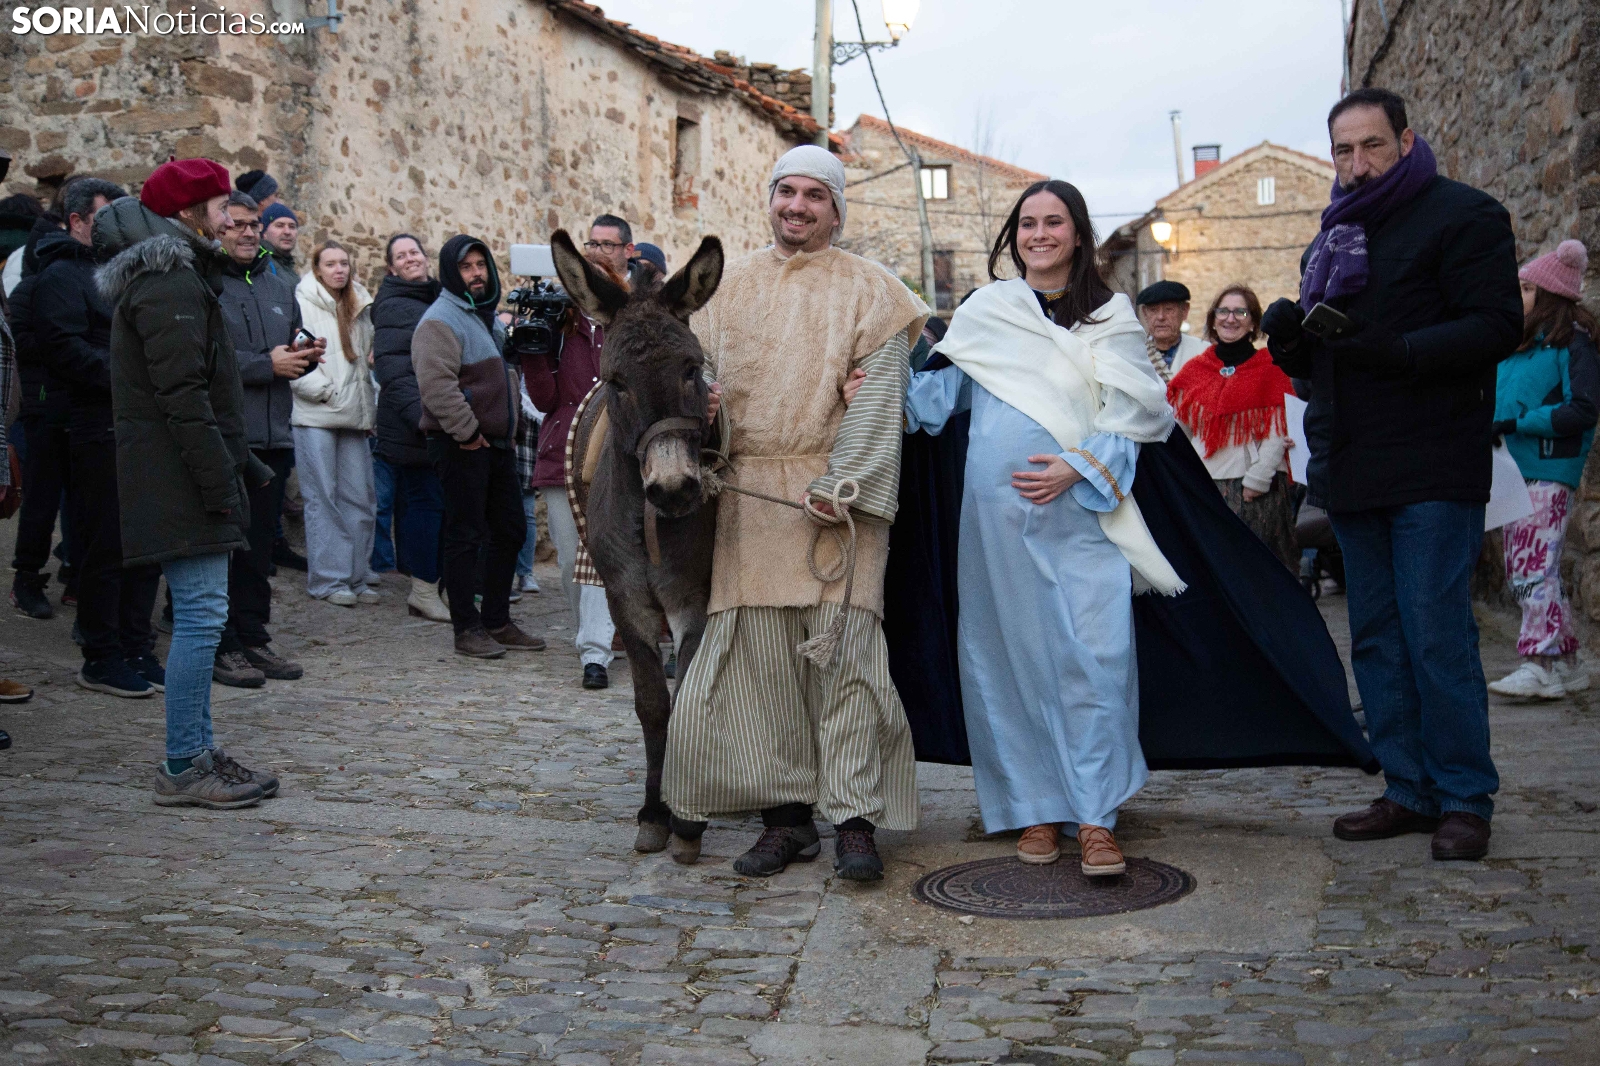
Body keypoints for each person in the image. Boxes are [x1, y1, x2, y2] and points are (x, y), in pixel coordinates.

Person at [1261, 88, 1522, 862]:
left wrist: (1401, 350)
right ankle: (1407, 788)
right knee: (1376, 637)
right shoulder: (1331, 236)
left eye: (1372, 145)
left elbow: (1496, 325)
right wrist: (1292, 346)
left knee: (1436, 633)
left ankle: (1464, 796)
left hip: (1434, 460)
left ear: (1406, 142)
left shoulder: (1464, 215)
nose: (1358, 162)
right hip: (1351, 461)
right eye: (1344, 150)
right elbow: (1324, 363)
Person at [662, 144, 928, 883]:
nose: (798, 207)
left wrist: (845, 484)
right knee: (761, 672)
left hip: (839, 503)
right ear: (770, 199)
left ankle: (854, 821)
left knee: (846, 664)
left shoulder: (874, 291)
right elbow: (693, 390)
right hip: (748, 499)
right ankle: (786, 822)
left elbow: (880, 399)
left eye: (816, 195)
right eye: (788, 192)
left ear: (837, 210)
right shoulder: (722, 291)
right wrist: (706, 413)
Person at [94, 159, 281, 807]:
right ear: (188, 214)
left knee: (204, 616)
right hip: (178, 476)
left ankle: (197, 750)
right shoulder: (168, 282)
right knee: (201, 619)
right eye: (219, 205)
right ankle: (182, 764)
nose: (230, 216)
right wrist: (218, 482)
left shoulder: (180, 274)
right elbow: (183, 398)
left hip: (186, 471)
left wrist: (238, 468)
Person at [34, 177, 167, 697]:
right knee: (105, 546)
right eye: (107, 218)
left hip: (141, 424)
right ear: (77, 222)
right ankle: (101, 654)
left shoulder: (126, 273)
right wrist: (135, 377)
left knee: (145, 547)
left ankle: (135, 646)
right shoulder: (61, 276)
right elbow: (66, 349)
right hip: (97, 426)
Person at [412, 235, 545, 658]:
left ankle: (497, 621)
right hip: (461, 444)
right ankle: (466, 628)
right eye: (466, 267)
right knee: (465, 535)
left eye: (480, 265)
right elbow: (437, 386)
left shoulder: (486, 317)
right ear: (452, 273)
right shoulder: (439, 320)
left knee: (510, 529)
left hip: (495, 444)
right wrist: (467, 433)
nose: (476, 274)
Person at [214, 190, 322, 687]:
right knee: (223, 548)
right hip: (224, 436)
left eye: (253, 224)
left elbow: (288, 347)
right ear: (218, 228)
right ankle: (222, 645)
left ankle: (253, 637)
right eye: (236, 224)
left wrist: (305, 355)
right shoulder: (206, 283)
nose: (248, 232)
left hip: (274, 436)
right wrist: (265, 365)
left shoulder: (279, 283)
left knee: (258, 549)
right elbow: (201, 359)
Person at [1487, 240, 1599, 700]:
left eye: (1528, 288)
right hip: (1511, 469)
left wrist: (1519, 423)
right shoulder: (1517, 347)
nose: (1519, 296)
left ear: (1550, 296)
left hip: (1549, 469)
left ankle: (1541, 663)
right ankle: (1568, 663)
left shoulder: (1574, 344)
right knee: (1532, 567)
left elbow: (1583, 409)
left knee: (1531, 567)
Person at [524, 214, 626, 689]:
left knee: (601, 556)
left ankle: (595, 652)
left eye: (606, 248)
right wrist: (533, 352)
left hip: (614, 454)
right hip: (562, 451)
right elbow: (545, 399)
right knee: (569, 561)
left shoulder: (624, 320)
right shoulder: (557, 324)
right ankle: (590, 634)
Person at [1167, 284, 1297, 569]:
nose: (1231, 318)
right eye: (1223, 311)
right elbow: (1180, 432)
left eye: (1241, 312)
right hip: (1207, 486)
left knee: (1261, 570)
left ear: (1253, 323)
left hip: (1255, 488)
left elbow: (1278, 430)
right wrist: (1187, 478)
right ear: (1213, 319)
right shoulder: (1195, 369)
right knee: (1216, 570)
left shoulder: (1271, 367)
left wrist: (1258, 480)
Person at [291, 241, 378, 606]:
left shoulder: (359, 303)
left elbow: (361, 365)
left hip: (354, 416)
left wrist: (365, 405)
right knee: (323, 499)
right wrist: (326, 393)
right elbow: (294, 359)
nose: (339, 269)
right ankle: (329, 580)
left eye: (343, 263)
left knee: (360, 498)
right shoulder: (301, 302)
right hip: (316, 415)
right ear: (317, 269)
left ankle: (356, 576)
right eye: (330, 264)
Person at [372, 234, 450, 622]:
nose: (410, 259)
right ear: (391, 267)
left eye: (414, 252)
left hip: (441, 419)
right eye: (401, 256)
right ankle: (423, 590)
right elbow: (395, 370)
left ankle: (441, 585)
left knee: (442, 506)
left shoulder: (437, 296)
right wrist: (425, 419)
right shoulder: (393, 305)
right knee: (425, 505)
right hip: (416, 424)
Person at [6, 199, 77, 619]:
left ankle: (76, 571)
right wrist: (64, 346)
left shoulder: (79, 285)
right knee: (40, 501)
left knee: (81, 501)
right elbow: (20, 344)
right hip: (42, 407)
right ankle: (27, 578)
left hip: (79, 407)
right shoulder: (29, 291)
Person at [1137, 280, 1208, 382]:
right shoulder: (1135, 354)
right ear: (1145, 313)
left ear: (1184, 311)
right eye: (1153, 310)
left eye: (1169, 309)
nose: (1161, 317)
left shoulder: (1204, 352)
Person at [260, 203, 299, 277]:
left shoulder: (287, 265)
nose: (287, 232)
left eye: (292, 226)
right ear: (264, 233)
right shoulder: (261, 264)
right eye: (279, 226)